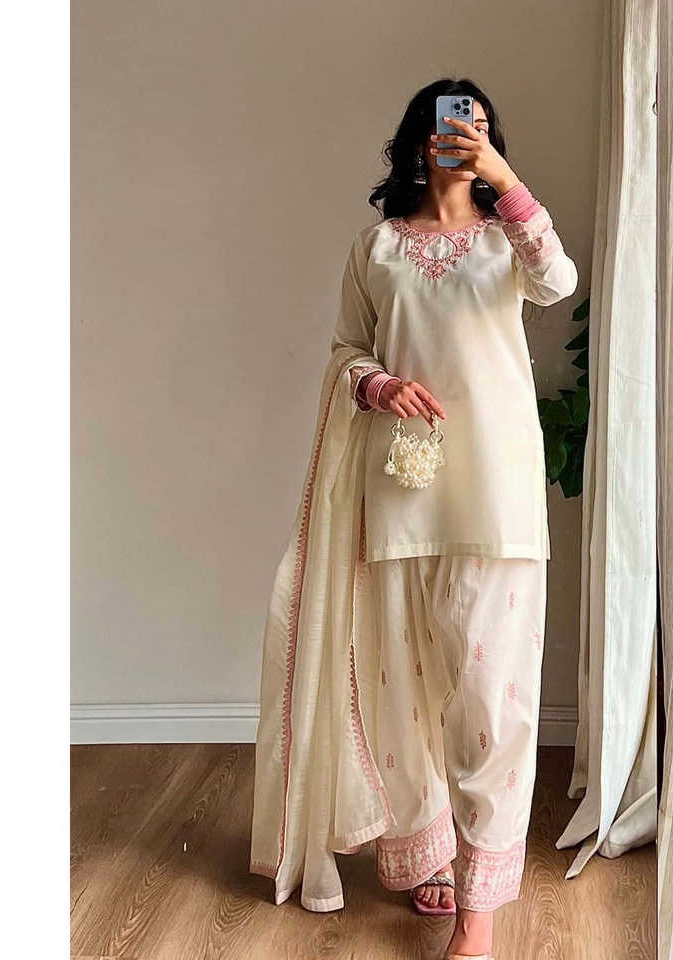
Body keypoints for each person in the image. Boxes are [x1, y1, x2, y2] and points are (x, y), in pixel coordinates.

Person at [250, 78, 577, 960]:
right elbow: (346, 351)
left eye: (477, 125)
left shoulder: (510, 239)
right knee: (405, 690)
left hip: (495, 495)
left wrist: (502, 180)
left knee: (491, 700)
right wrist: (379, 385)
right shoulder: (378, 247)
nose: (461, 134)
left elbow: (558, 280)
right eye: (448, 123)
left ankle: (480, 909)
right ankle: (429, 850)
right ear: (416, 139)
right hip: (401, 487)